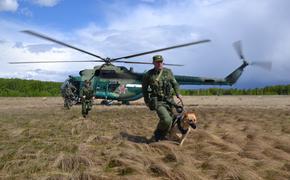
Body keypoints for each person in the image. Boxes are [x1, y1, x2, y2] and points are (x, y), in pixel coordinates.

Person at [142, 55, 183, 141]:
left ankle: (164, 136)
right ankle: (157, 136)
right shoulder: (148, 75)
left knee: (172, 120)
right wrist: (146, 101)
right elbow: (144, 89)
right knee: (166, 120)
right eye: (157, 62)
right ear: (153, 63)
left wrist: (178, 94)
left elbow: (175, 83)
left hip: (170, 101)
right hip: (158, 101)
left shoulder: (168, 72)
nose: (159, 63)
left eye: (161, 62)